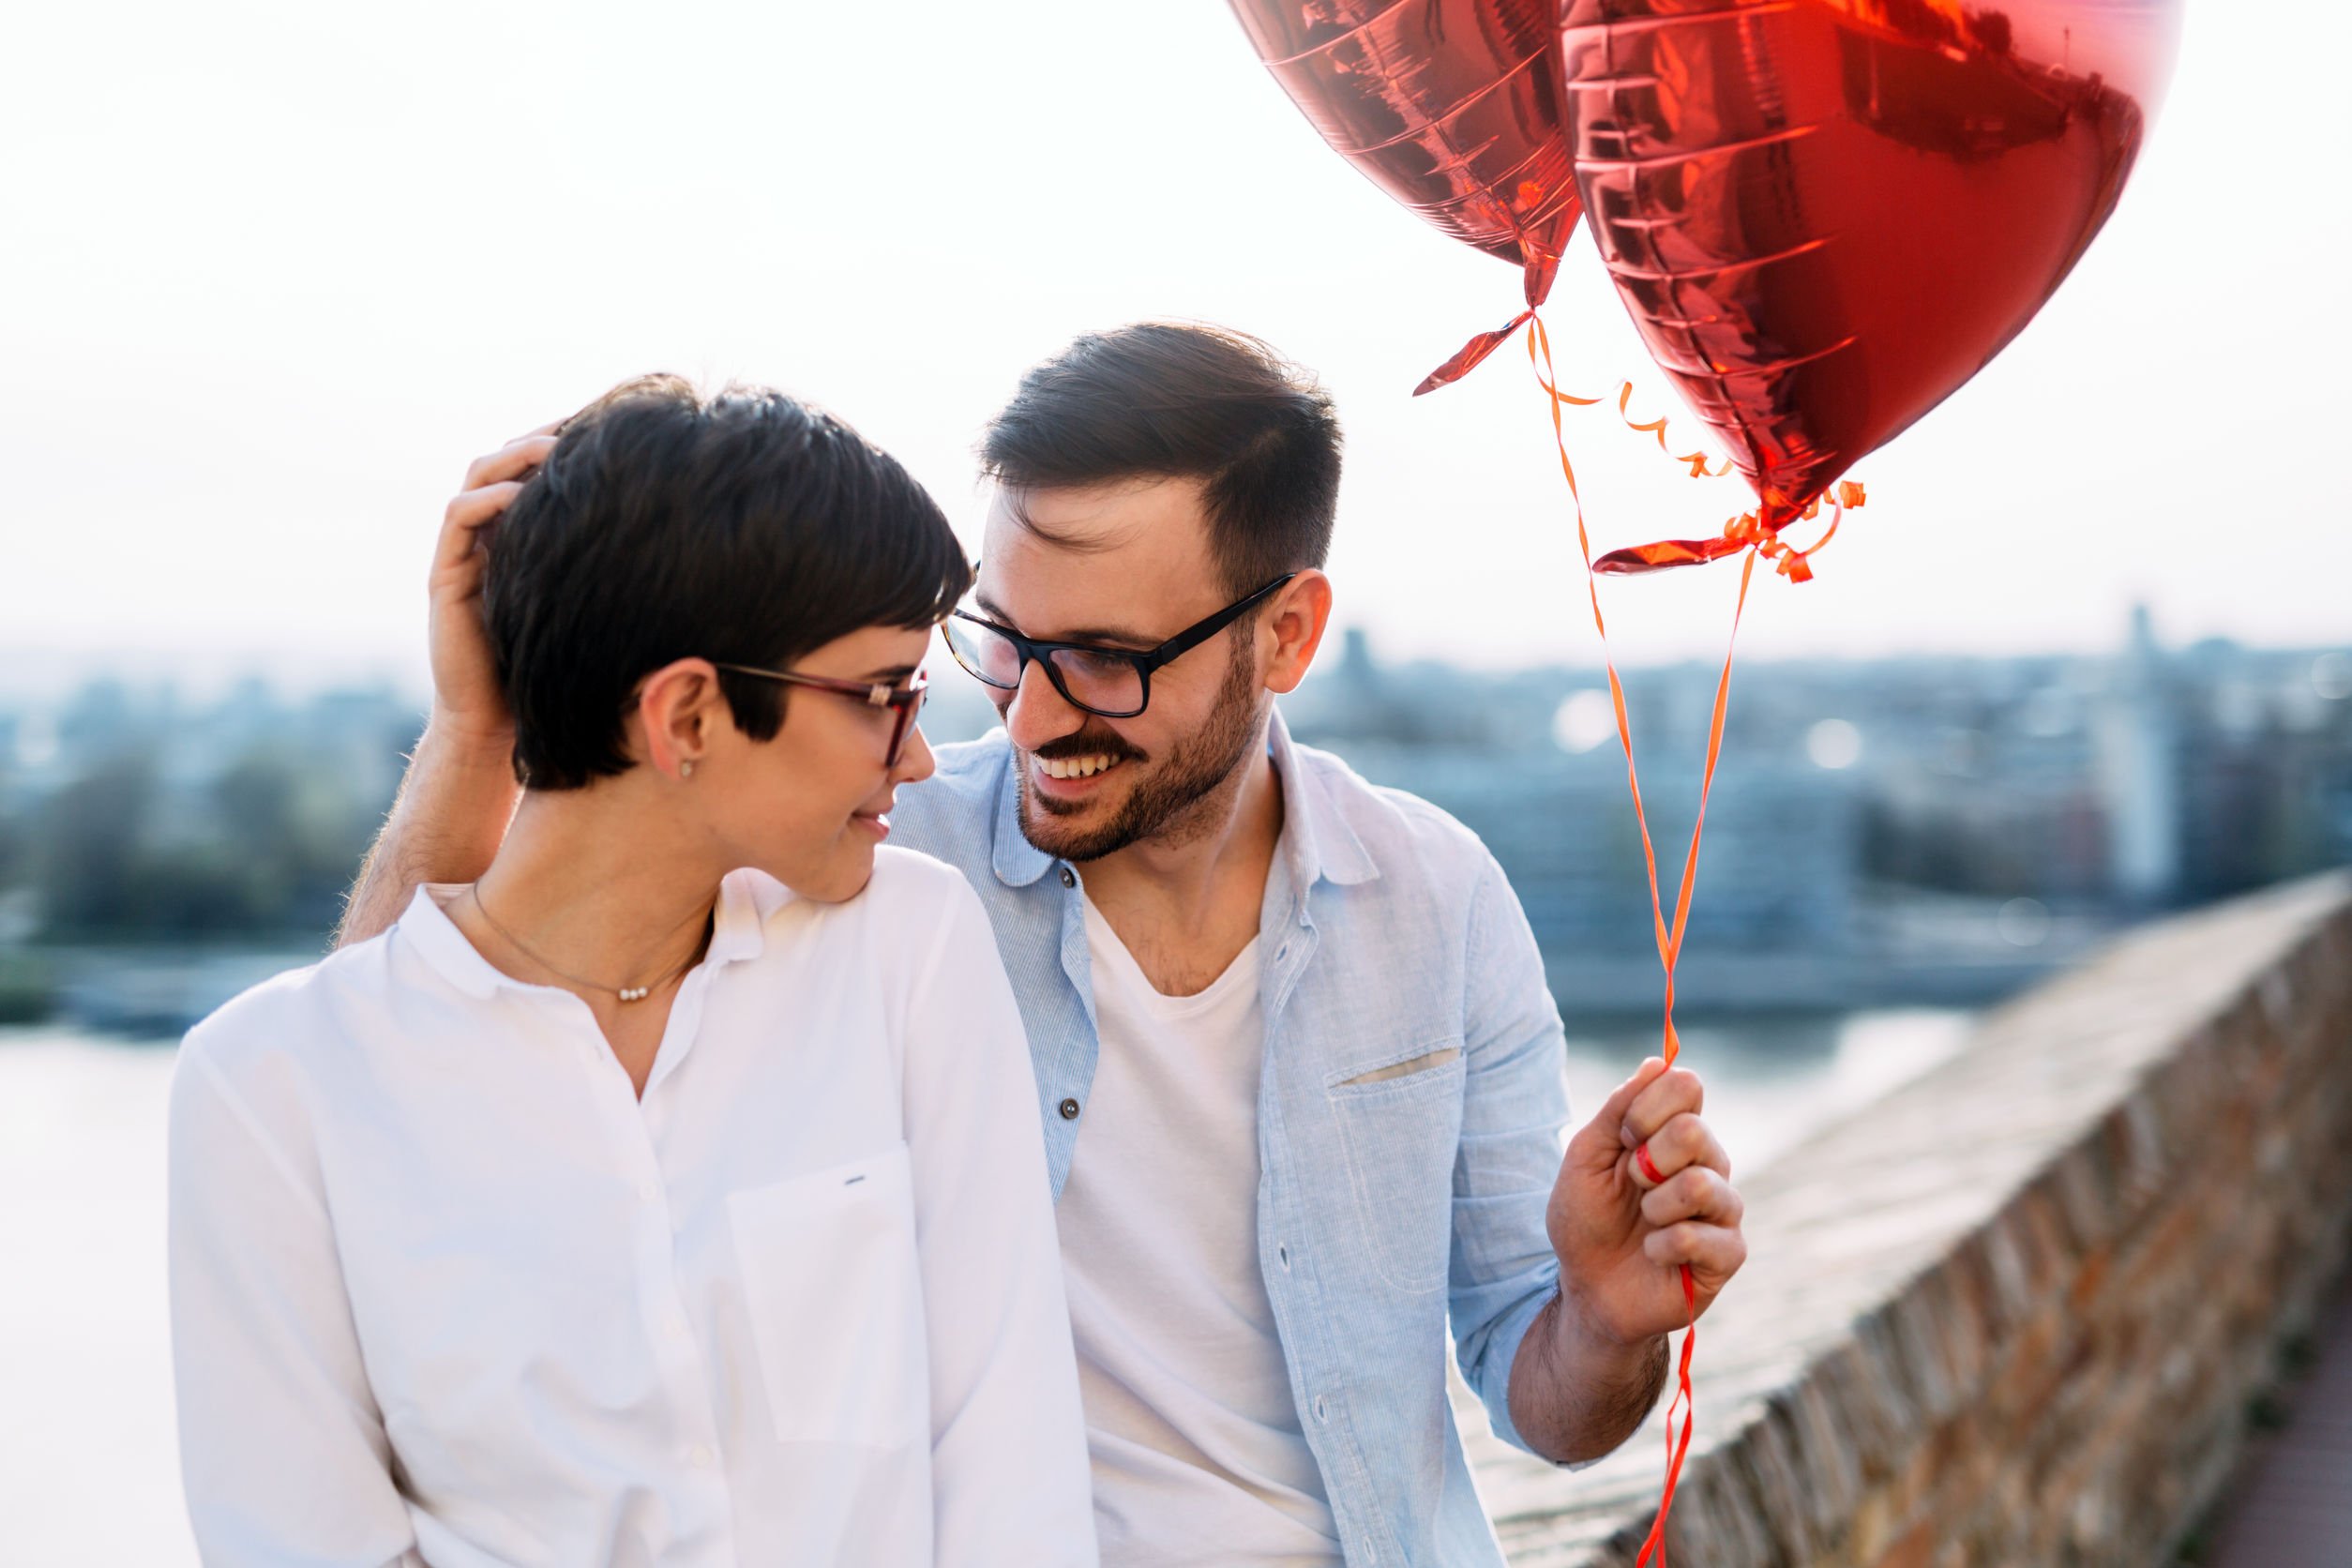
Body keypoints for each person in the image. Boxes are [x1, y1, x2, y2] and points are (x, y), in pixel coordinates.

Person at [339, 324, 1750, 1566]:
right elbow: (412, 1074)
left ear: (1287, 637)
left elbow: (1547, 1406)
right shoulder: (869, 867)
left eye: (1105, 661)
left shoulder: (1438, 903)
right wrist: (474, 730)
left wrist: (1605, 1317)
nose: (1023, 715)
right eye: (1004, 640)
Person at [169, 376, 1096, 1567]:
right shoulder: (264, 1092)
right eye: (883, 694)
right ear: (689, 717)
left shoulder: (909, 947)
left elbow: (1008, 1469)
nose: (921, 757)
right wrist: (470, 733)